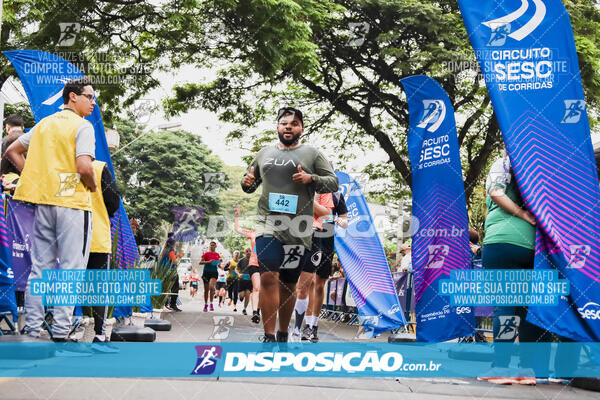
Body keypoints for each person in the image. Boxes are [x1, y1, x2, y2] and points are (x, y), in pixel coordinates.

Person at [6, 78, 97, 341]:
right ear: (72, 97)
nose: (93, 103)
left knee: (40, 269)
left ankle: (33, 329)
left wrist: (35, 177)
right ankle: (59, 332)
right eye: (89, 97)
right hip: (73, 204)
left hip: (45, 202)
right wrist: (91, 186)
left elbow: (12, 150)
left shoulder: (45, 124)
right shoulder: (83, 126)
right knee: (71, 270)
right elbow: (83, 167)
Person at [241, 107, 338, 342]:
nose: (288, 126)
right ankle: (268, 335)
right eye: (284, 123)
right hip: (268, 223)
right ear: (277, 126)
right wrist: (247, 182)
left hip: (299, 228)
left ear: (301, 129)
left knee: (288, 283)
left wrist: (310, 179)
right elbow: (249, 183)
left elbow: (333, 183)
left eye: (294, 123)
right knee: (267, 277)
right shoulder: (263, 153)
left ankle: (283, 333)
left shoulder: (312, 154)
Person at [477, 155, 551, 385]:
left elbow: (496, 193)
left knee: (506, 305)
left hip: (503, 241)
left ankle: (501, 367)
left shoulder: (504, 162)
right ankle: (528, 371)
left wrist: (521, 214)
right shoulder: (541, 165)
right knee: (529, 308)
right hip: (537, 245)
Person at [297, 189, 348, 342]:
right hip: (309, 237)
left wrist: (341, 222)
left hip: (327, 239)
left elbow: (345, 220)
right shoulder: (307, 190)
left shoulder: (337, 195)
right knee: (309, 282)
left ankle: (314, 325)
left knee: (319, 285)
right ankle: (306, 325)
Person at [86, 160, 120, 352]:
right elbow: (113, 201)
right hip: (95, 237)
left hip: (65, 239)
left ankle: (67, 332)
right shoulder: (98, 167)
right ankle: (99, 335)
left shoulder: (61, 164)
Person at [234, 206, 261, 323]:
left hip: (268, 263)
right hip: (254, 263)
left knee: (263, 289)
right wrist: (236, 216)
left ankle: (259, 310)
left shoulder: (273, 234)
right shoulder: (253, 233)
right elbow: (238, 229)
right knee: (256, 288)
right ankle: (255, 312)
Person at [159, 237, 183, 311]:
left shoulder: (164, 251)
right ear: (173, 244)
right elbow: (175, 262)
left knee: (165, 288)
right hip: (171, 272)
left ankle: (163, 303)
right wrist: (179, 257)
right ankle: (173, 304)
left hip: (163, 271)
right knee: (174, 288)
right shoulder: (171, 251)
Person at [199, 240, 220, 312]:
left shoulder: (217, 254)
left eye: (213, 245)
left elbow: (218, 264)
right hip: (206, 272)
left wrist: (219, 264)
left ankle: (211, 303)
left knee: (211, 287)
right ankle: (205, 304)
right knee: (206, 290)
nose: (212, 246)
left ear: (215, 246)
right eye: (211, 245)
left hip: (214, 272)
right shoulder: (206, 254)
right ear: (209, 246)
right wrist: (208, 262)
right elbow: (200, 262)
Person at [236, 247, 253, 315]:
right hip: (242, 280)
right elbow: (236, 269)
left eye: (249, 251)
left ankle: (244, 309)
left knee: (248, 294)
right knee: (242, 295)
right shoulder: (241, 260)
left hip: (250, 281)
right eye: (247, 251)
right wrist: (239, 274)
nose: (248, 252)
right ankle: (240, 297)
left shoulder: (253, 261)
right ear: (244, 252)